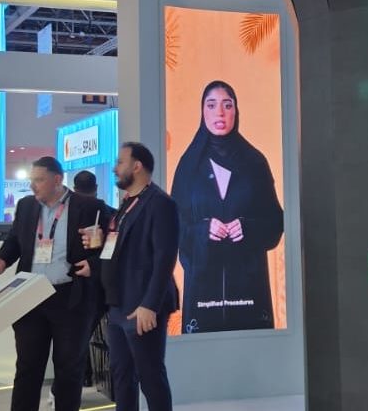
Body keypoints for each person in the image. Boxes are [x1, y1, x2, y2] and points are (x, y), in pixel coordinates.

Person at [0, 156, 108, 411]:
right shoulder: (26, 205)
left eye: (39, 180)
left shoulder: (90, 206)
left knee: (69, 368)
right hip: (30, 296)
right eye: (32, 180)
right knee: (27, 366)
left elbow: (109, 246)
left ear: (57, 180)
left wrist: (94, 264)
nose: (33, 186)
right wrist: (3, 259)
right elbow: (16, 239)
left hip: (70, 297)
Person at [171, 81, 284, 334]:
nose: (220, 113)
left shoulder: (255, 163)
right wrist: (203, 230)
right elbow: (173, 226)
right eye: (211, 105)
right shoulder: (189, 166)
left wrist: (248, 229)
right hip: (203, 297)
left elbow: (276, 223)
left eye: (227, 105)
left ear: (236, 111)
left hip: (249, 296)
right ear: (202, 112)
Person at [92, 143, 179, 411]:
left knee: (150, 376)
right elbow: (120, 250)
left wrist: (150, 304)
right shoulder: (127, 204)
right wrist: (99, 247)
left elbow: (165, 257)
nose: (115, 169)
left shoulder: (160, 203)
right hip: (118, 303)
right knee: (121, 376)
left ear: (137, 166)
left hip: (142, 305)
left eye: (120, 162)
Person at [71, 170, 115, 389]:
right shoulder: (112, 213)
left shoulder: (67, 218)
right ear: (96, 188)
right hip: (107, 288)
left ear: (73, 189)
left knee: (75, 339)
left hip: (77, 288)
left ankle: (80, 380)